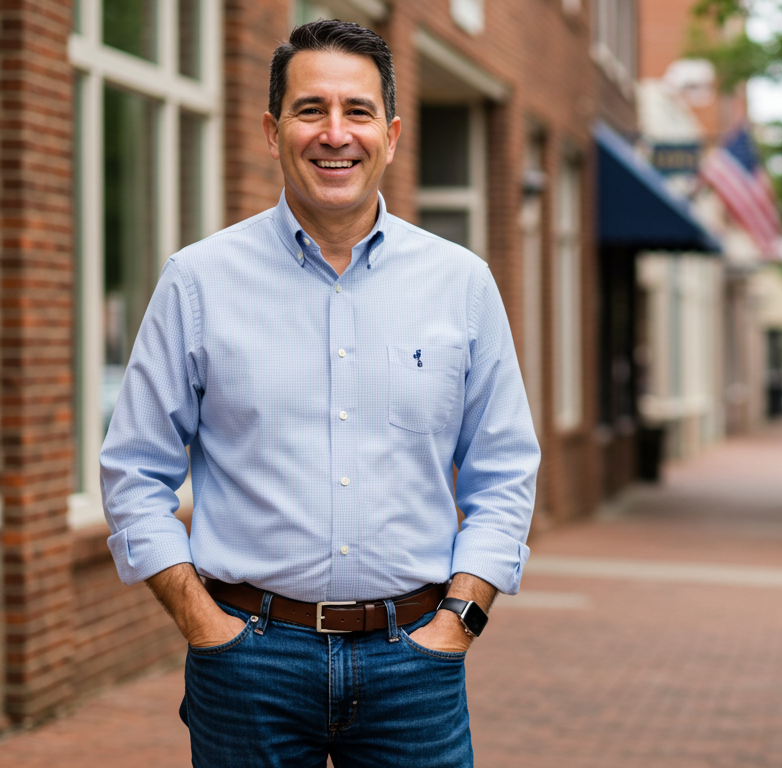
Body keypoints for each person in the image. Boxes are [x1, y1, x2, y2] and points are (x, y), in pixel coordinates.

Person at [99, 19, 538, 767]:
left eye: (357, 112)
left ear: (391, 135)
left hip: (415, 664)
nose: (335, 134)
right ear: (273, 132)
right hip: (249, 664)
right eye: (311, 110)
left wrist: (459, 619)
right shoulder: (198, 282)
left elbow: (505, 473)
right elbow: (133, 470)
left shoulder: (461, 283)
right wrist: (203, 623)